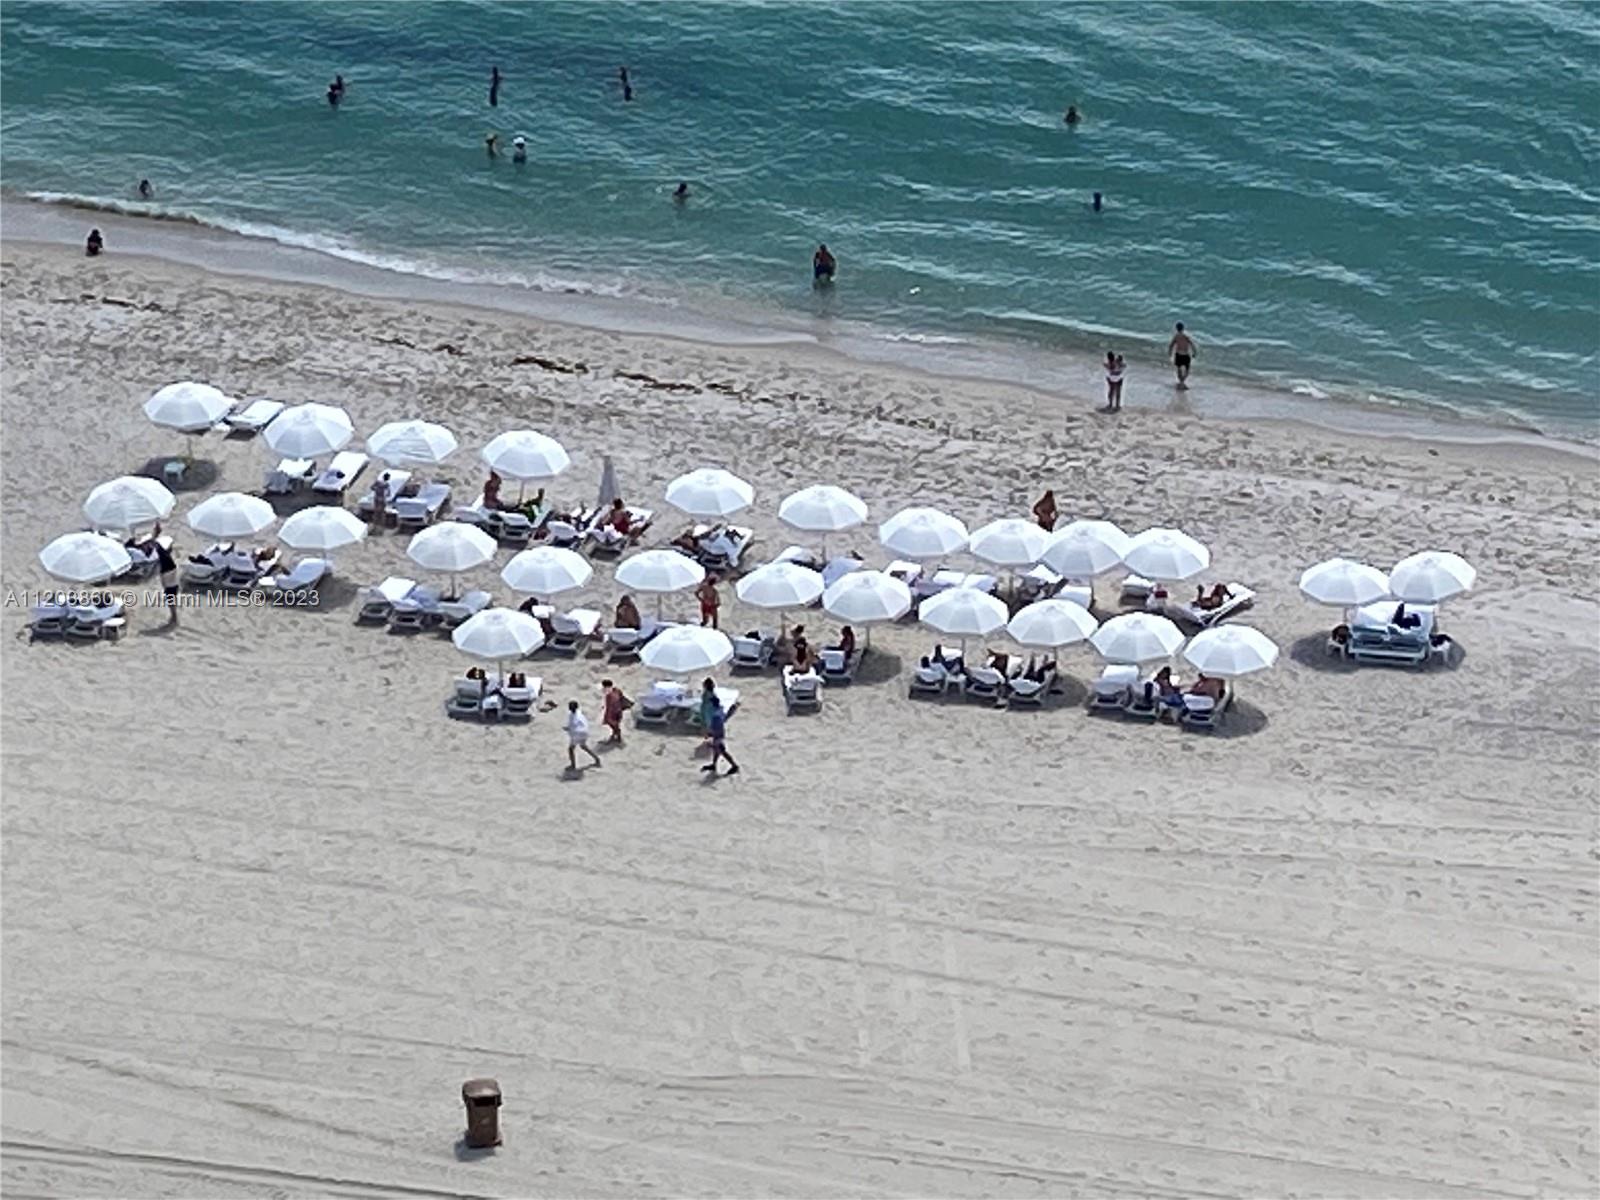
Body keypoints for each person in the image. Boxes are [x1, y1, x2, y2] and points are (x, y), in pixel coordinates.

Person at [701, 693, 739, 777]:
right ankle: (714, 765)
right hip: (719, 734)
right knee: (716, 750)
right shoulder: (719, 710)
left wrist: (709, 734)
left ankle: (734, 766)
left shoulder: (715, 716)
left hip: (718, 735)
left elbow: (715, 726)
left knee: (721, 750)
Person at [564, 700, 603, 771]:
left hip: (577, 733)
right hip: (585, 732)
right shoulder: (579, 713)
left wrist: (567, 729)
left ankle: (573, 765)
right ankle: (597, 758)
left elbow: (572, 727)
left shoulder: (571, 716)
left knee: (571, 749)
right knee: (584, 746)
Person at [155, 539, 180, 626]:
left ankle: (174, 618)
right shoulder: (165, 557)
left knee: (171, 601)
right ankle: (174, 618)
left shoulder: (164, 557)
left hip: (170, 581)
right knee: (171, 600)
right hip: (171, 580)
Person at [601, 678, 630, 744]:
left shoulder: (609, 696)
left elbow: (609, 707)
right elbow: (622, 698)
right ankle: (615, 735)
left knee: (614, 725)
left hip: (612, 713)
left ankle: (618, 737)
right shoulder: (617, 690)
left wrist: (606, 716)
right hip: (619, 711)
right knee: (616, 724)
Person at [1168, 322, 1196, 388]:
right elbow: (1192, 344)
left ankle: (1181, 383)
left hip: (1178, 354)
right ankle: (1182, 382)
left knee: (1179, 369)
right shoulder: (1186, 336)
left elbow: (1171, 345)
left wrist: (1170, 353)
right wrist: (1194, 352)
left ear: (1176, 328)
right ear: (1183, 328)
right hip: (1186, 355)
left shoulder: (1176, 336)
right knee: (1187, 370)